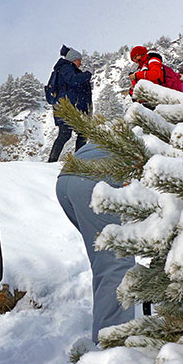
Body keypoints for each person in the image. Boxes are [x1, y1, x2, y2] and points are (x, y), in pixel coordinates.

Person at [55, 142, 138, 341]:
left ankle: (109, 327)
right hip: (99, 178)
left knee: (107, 263)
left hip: (68, 178)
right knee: (116, 264)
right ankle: (112, 347)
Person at [46, 46, 93, 163]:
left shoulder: (68, 69)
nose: (80, 63)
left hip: (72, 107)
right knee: (66, 134)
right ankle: (53, 161)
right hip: (66, 107)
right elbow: (73, 80)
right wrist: (87, 75)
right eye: (79, 60)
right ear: (73, 59)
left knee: (80, 133)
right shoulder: (66, 68)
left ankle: (78, 161)